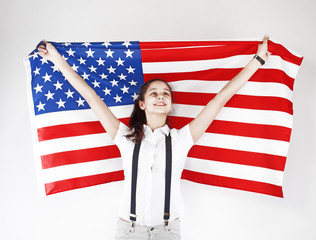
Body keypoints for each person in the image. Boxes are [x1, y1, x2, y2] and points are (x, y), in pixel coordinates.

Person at [37, 35, 270, 240]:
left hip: (167, 231)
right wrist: (57, 59)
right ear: (142, 103)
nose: (161, 97)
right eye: (154, 93)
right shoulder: (125, 138)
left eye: (166, 94)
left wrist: (257, 62)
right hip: (128, 230)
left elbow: (219, 100)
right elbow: (90, 96)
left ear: (170, 105)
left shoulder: (182, 139)